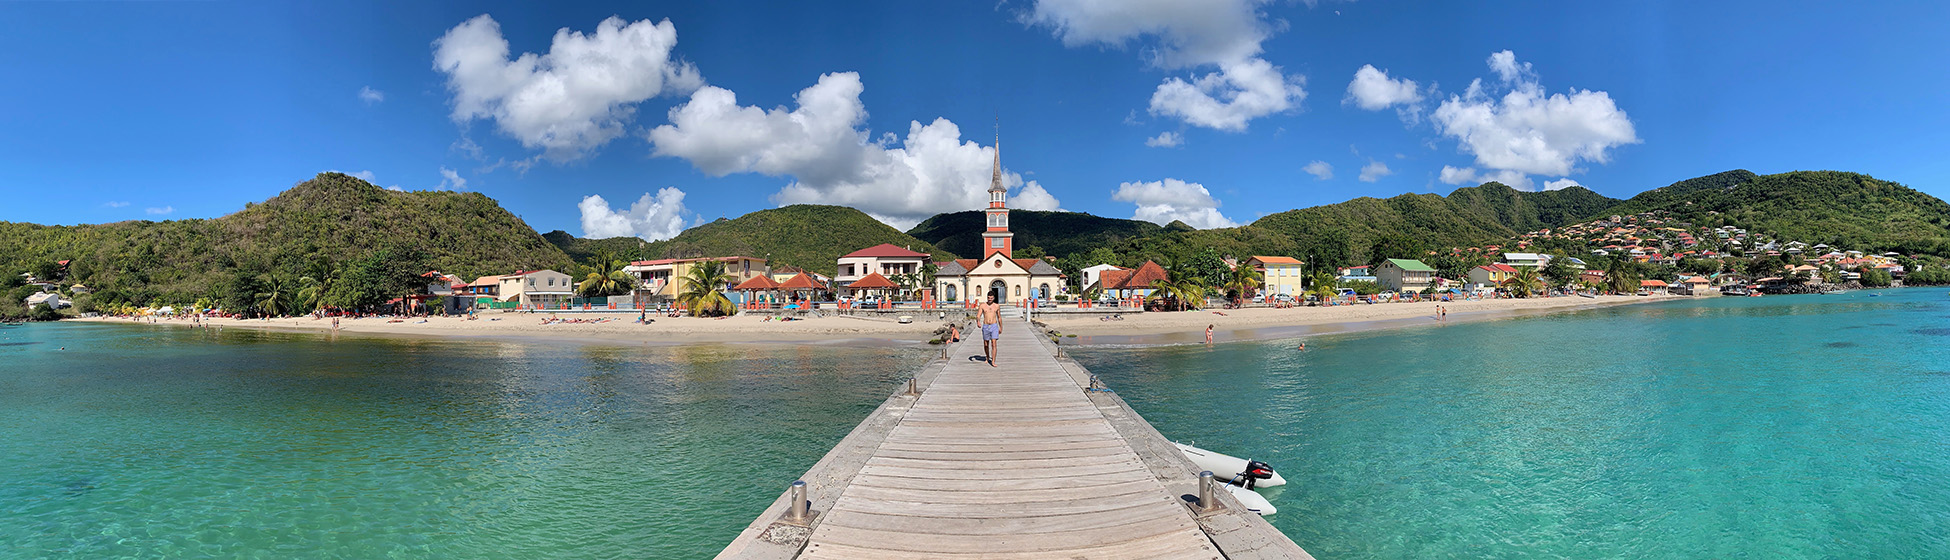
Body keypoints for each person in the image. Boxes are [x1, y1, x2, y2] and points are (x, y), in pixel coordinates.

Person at [977, 295, 1002, 366]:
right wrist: (978, 321)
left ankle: (993, 361)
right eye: (988, 298)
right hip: (986, 326)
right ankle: (987, 357)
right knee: (986, 343)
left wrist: (1001, 327)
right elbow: (978, 315)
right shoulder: (982, 305)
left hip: (994, 325)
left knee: (994, 343)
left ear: (994, 298)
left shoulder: (997, 306)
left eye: (991, 298)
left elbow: (999, 317)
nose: (990, 299)